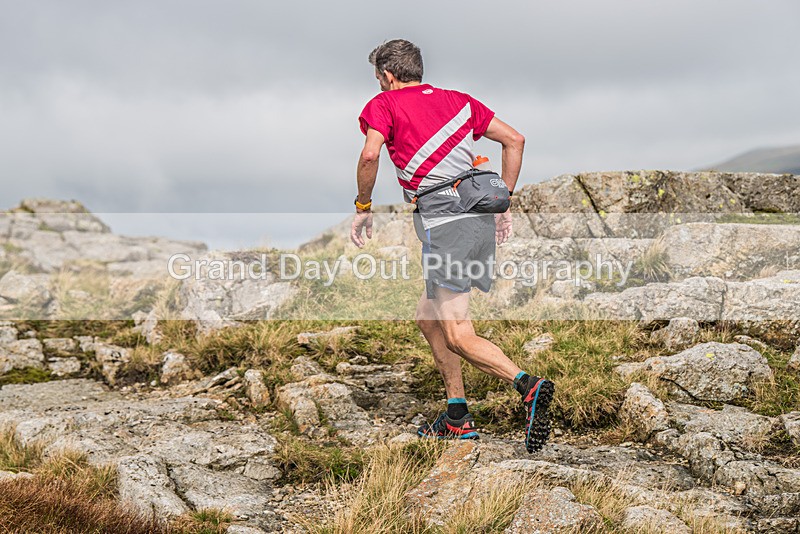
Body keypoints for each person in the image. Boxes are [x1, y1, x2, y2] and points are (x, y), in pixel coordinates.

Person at [351, 39, 555, 453]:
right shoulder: (459, 101)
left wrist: (363, 205)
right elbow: (514, 140)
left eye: (378, 79)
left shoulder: (384, 106)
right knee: (429, 318)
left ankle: (528, 387)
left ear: (388, 76)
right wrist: (504, 199)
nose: (378, 85)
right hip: (476, 217)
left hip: (447, 224)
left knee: (459, 333)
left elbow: (371, 156)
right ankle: (457, 416)